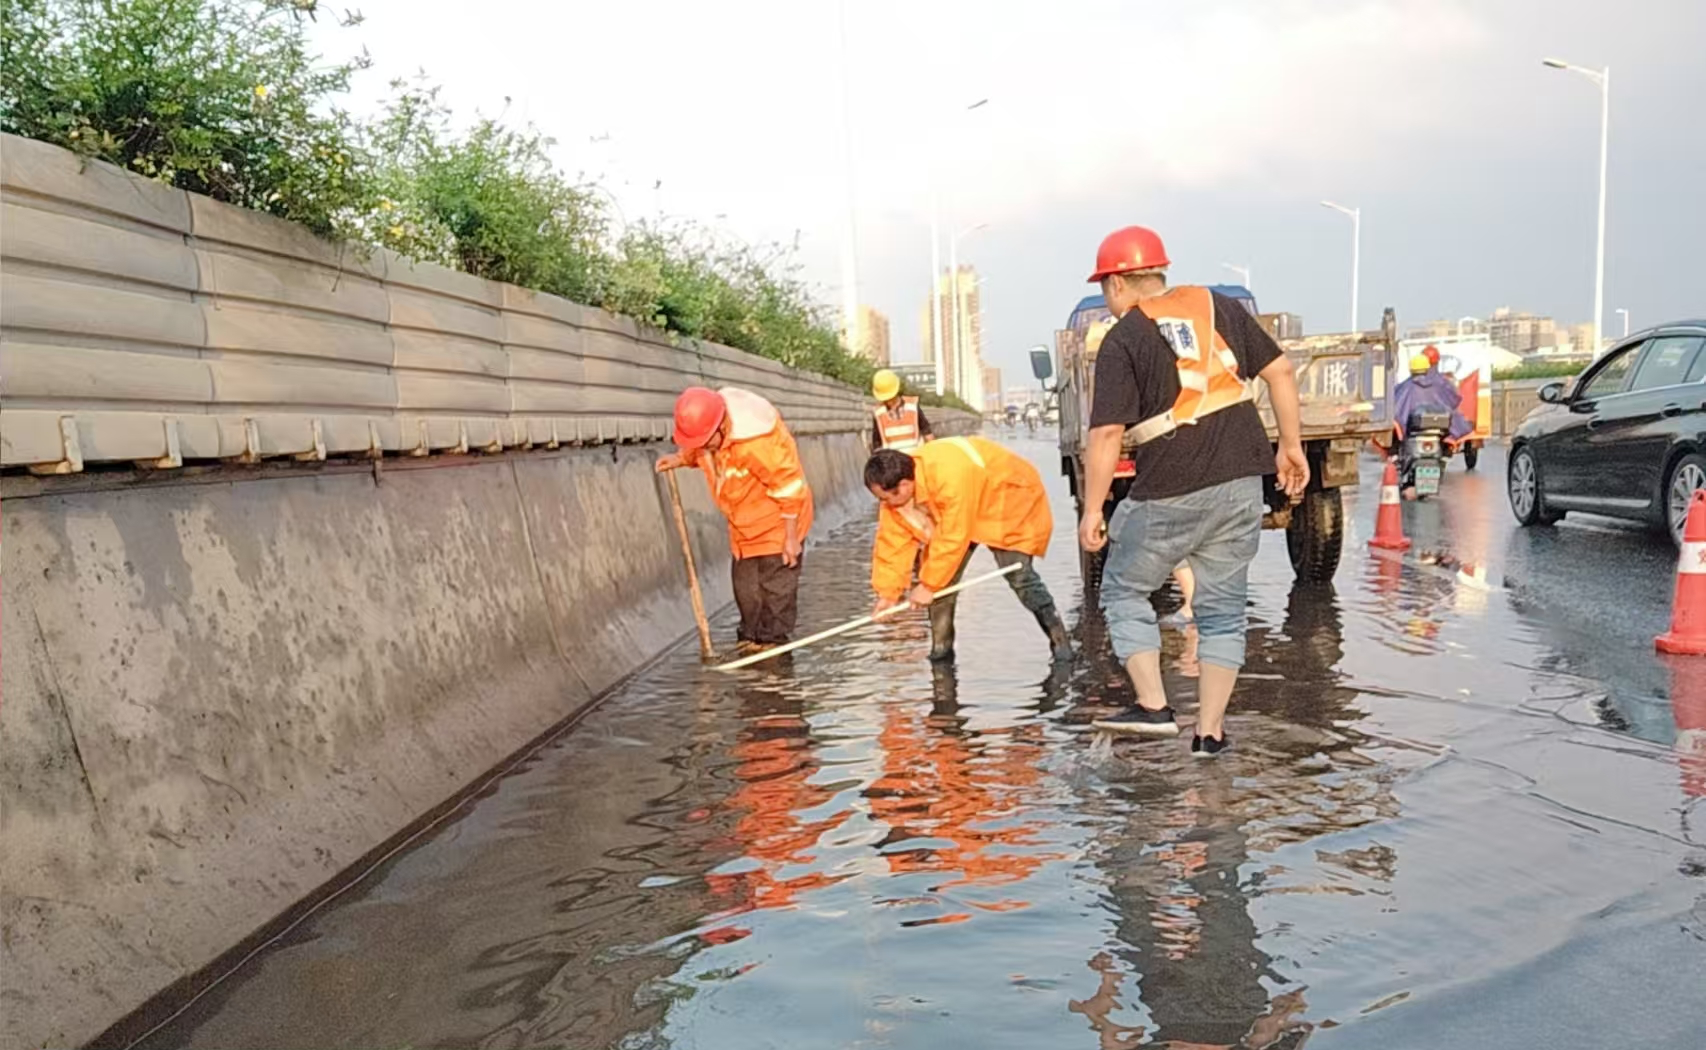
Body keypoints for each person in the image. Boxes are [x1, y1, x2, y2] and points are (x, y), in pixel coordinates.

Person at [1075, 225, 1308, 755]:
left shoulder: (1124, 338)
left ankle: (1155, 707)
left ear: (1115, 283)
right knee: (1223, 611)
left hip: (1170, 488)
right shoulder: (1218, 307)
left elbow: (1107, 432)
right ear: (1159, 272)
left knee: (1123, 589)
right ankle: (1210, 733)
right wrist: (1289, 445)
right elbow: (1281, 370)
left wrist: (1092, 510)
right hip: (1243, 481)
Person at [866, 439, 1073, 664]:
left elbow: (954, 535)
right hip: (962, 511)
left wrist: (927, 585)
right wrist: (888, 594)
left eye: (886, 498)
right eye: (880, 499)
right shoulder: (894, 497)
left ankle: (1060, 642)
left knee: (1020, 576)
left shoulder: (950, 474)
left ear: (904, 485)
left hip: (1007, 500)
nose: (884, 504)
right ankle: (941, 652)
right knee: (941, 587)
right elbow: (892, 543)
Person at [657, 386, 813, 653]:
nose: (704, 447)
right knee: (747, 594)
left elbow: (788, 486)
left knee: (775, 597)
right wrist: (681, 459)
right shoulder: (710, 436)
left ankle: (774, 661)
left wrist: (790, 538)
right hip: (743, 528)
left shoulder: (756, 442)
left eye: (707, 441)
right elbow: (701, 451)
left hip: (779, 523)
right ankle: (750, 645)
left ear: (722, 426)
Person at [869, 368, 932, 452]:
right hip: (893, 463)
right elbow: (877, 444)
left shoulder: (912, 406)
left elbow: (927, 433)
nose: (888, 400)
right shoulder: (879, 413)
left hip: (916, 460)